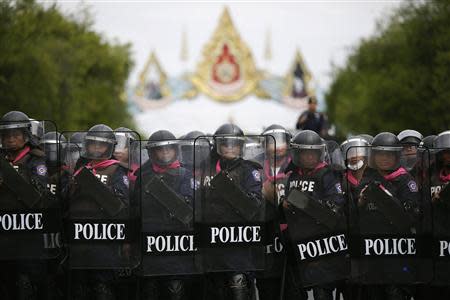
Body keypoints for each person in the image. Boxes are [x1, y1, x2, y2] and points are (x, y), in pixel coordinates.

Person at [67, 124, 130, 300]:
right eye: (93, 144)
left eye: (100, 144)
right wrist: (71, 188)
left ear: (109, 147)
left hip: (104, 239)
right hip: (79, 238)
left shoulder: (117, 170)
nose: (96, 148)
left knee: (102, 287)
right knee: (78, 287)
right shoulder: (79, 167)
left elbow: (122, 206)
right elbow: (65, 201)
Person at [356, 132, 421, 300]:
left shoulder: (406, 181)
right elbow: (354, 213)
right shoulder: (367, 178)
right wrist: (361, 201)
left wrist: (387, 199)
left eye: (388, 154)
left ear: (396, 156)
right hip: (371, 253)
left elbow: (411, 216)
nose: (384, 158)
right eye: (380, 154)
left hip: (396, 254)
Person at [282, 130, 346, 300]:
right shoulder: (293, 175)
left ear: (320, 153)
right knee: (296, 288)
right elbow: (289, 202)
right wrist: (286, 205)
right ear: (297, 154)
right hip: (298, 241)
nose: (309, 157)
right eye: (305, 153)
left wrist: (302, 202)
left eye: (313, 153)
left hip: (322, 242)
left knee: (321, 290)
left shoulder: (328, 174)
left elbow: (335, 205)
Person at [134, 130, 195, 300]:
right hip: (149, 241)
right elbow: (134, 209)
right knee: (150, 288)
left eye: (168, 149)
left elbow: (190, 209)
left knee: (175, 288)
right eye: (160, 149)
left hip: (176, 241)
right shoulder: (142, 176)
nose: (165, 153)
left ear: (176, 150)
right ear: (152, 153)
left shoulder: (186, 174)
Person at [0, 111, 53, 299]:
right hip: (4, 231)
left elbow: (41, 194)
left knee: (32, 280)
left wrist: (10, 179)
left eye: (15, 134)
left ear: (26, 135)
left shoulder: (35, 158)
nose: (11, 139)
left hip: (29, 231)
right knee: (6, 281)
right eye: (6, 135)